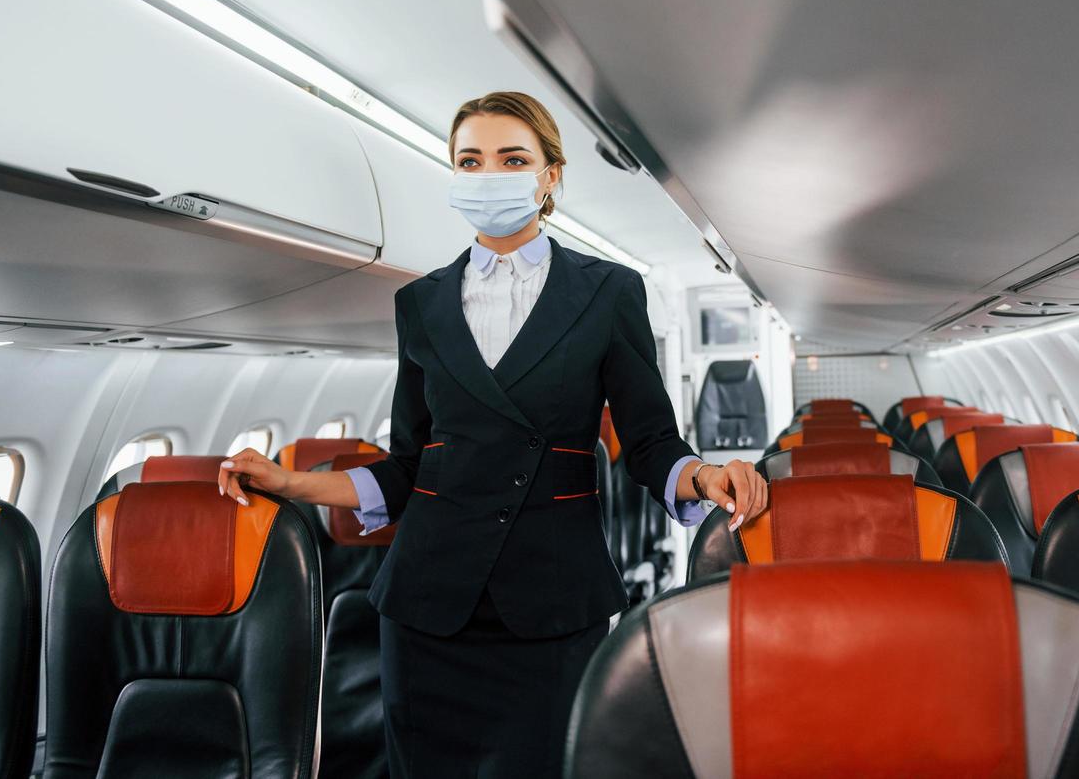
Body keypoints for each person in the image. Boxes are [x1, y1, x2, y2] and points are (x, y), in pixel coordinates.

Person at [218, 91, 768, 778]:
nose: (488, 175)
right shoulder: (420, 304)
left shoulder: (608, 292)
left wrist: (704, 477)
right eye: (469, 161)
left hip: (551, 596)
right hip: (427, 603)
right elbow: (410, 464)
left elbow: (650, 441)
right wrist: (289, 481)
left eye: (512, 158)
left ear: (550, 176)